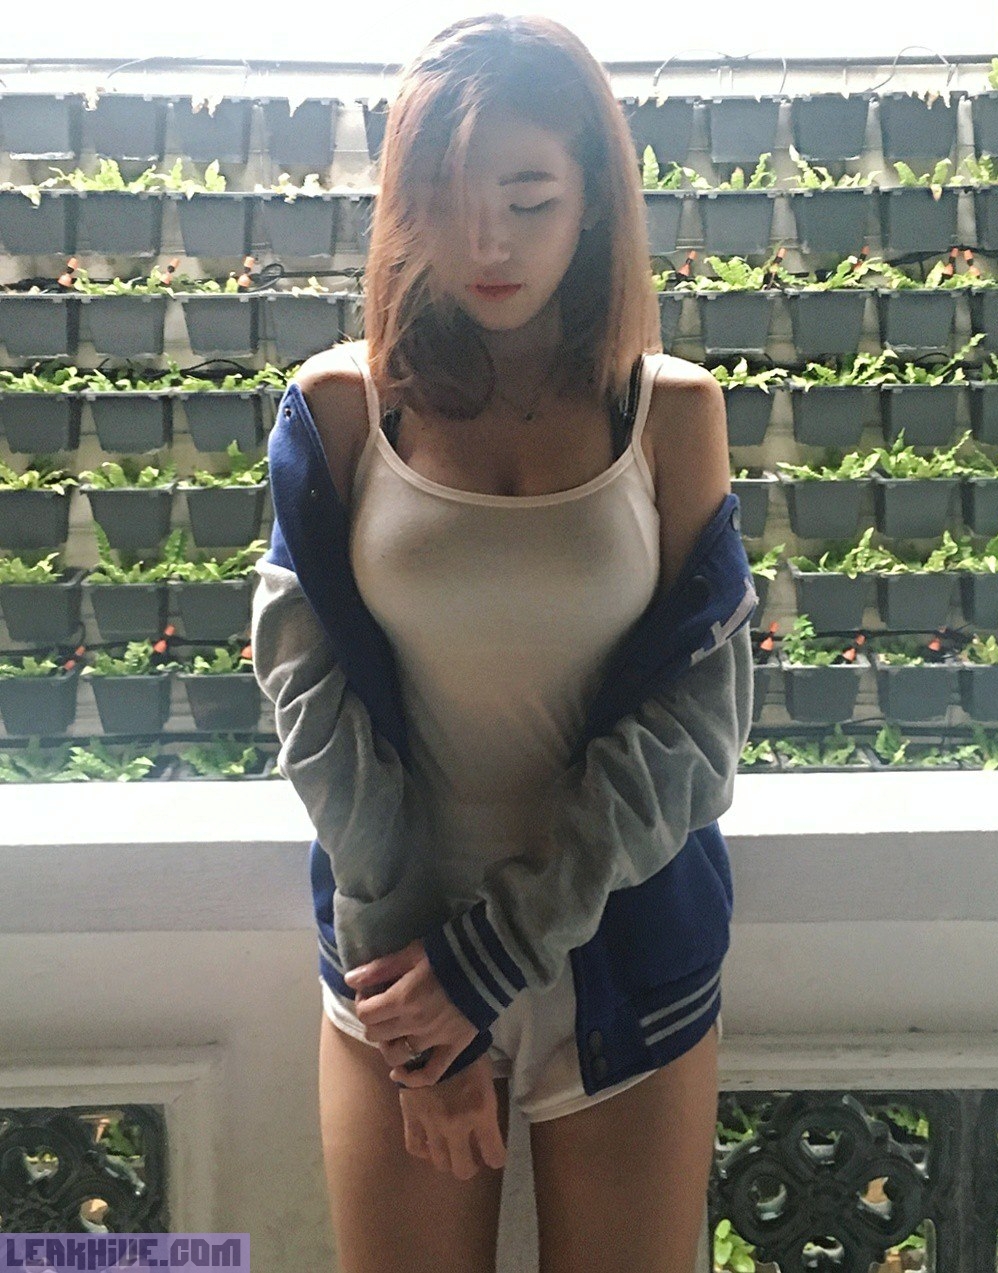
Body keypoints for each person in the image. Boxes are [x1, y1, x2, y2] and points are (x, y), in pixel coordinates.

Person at [250, 12, 757, 1272]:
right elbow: (310, 708)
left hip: (626, 960)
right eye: (448, 198)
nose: (487, 243)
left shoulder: (672, 414)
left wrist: (485, 963)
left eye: (529, 200)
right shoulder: (337, 408)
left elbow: (700, 730)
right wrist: (424, 1003)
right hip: (391, 961)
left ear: (592, 202)